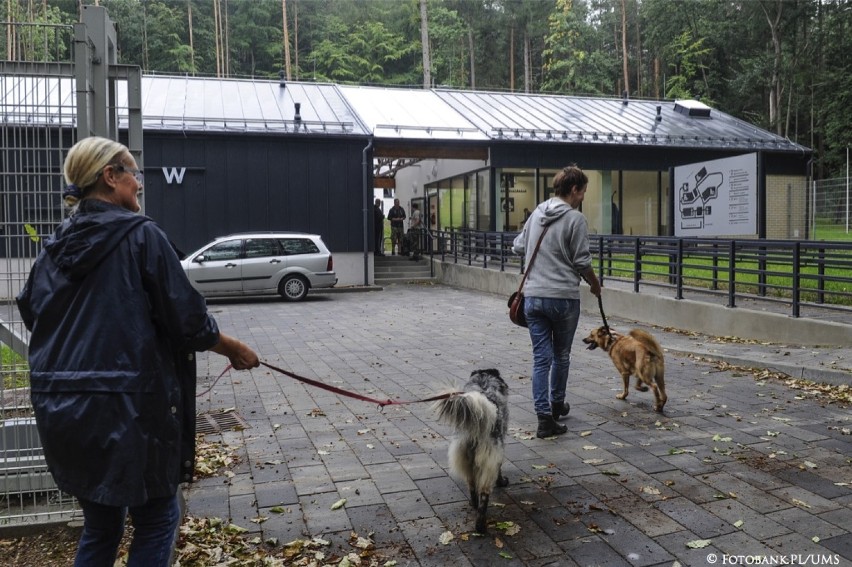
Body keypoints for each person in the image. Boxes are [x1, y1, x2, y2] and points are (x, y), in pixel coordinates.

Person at [15, 136, 260, 567]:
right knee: (157, 517)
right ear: (110, 177)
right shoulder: (142, 236)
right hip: (132, 413)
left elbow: (33, 311)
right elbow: (188, 320)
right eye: (133, 173)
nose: (140, 184)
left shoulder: (54, 247)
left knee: (101, 525)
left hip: (64, 412)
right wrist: (232, 347)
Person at [512, 165, 601, 439]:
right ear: (574, 190)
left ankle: (544, 419)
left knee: (541, 358)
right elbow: (581, 261)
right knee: (561, 355)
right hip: (562, 298)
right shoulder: (576, 220)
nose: (584, 197)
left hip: (533, 297)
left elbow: (518, 246)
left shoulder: (537, 212)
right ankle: (556, 404)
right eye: (584, 191)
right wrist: (595, 284)